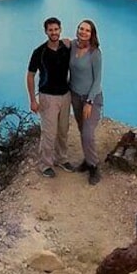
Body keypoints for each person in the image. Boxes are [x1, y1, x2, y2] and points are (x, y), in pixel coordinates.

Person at [27, 17, 74, 178]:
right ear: (46, 31)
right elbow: (30, 76)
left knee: (63, 130)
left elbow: (83, 45)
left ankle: (61, 158)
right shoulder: (39, 52)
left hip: (65, 95)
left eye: (56, 29)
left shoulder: (67, 47)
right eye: (50, 30)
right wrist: (33, 100)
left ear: (60, 29)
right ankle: (45, 164)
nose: (54, 32)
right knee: (49, 132)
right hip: (48, 97)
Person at [69, 19, 103, 185]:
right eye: (81, 29)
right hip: (75, 96)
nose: (83, 32)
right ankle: (87, 160)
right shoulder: (72, 46)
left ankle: (94, 166)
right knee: (82, 129)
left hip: (91, 98)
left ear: (92, 34)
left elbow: (97, 81)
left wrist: (89, 101)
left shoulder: (95, 53)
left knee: (88, 133)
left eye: (87, 30)